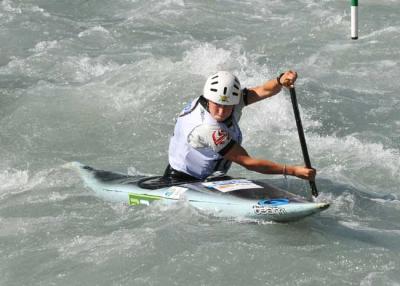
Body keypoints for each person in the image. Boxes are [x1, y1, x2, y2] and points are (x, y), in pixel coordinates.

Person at [164, 70, 316, 183]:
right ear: (208, 99)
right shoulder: (207, 129)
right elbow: (248, 162)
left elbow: (263, 90)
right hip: (184, 181)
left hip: (210, 178)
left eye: (227, 105)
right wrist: (293, 171)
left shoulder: (227, 99)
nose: (222, 112)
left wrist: (280, 80)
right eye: (217, 104)